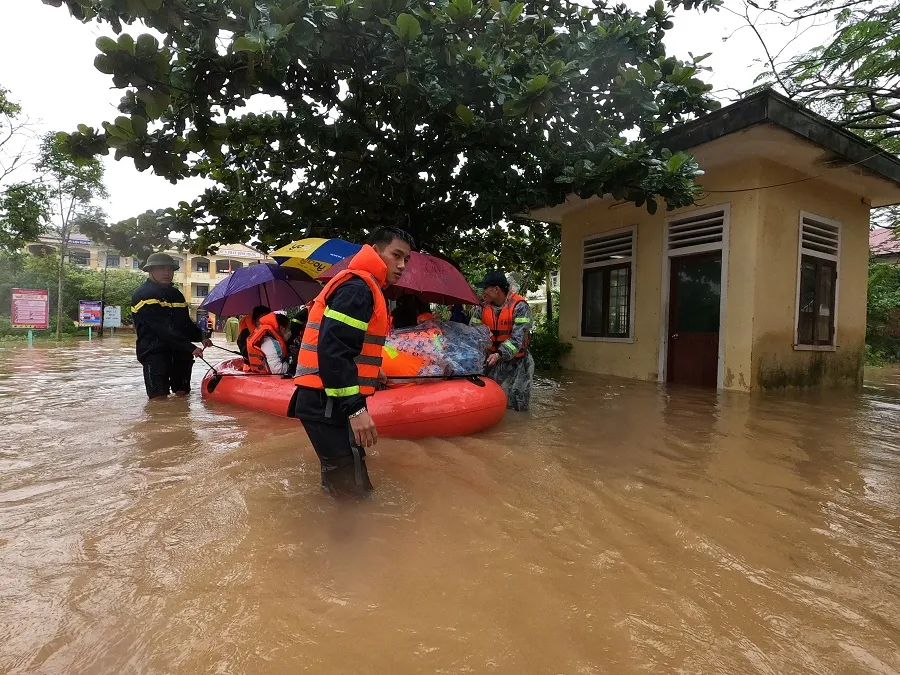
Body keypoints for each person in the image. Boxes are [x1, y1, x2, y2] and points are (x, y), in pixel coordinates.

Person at [292, 227, 413, 497]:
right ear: (375, 250)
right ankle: (350, 537)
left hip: (323, 398)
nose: (402, 265)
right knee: (353, 489)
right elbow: (333, 350)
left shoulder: (359, 285)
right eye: (396, 255)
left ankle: (333, 533)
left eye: (406, 259)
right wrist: (356, 410)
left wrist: (373, 371)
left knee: (341, 477)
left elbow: (344, 345)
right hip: (328, 400)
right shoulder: (359, 289)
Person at [131, 252, 213, 399]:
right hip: (154, 352)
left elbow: (185, 323)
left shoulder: (176, 294)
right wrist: (190, 347)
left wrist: (202, 337)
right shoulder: (142, 294)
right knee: (158, 400)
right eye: (161, 269)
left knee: (183, 395)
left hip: (180, 352)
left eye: (170, 269)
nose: (166, 273)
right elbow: (161, 328)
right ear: (150, 270)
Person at [473, 270, 535, 411]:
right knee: (485, 398)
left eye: (485, 289)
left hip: (518, 362)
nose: (483, 293)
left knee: (517, 405)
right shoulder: (481, 308)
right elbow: (472, 333)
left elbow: (517, 339)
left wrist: (499, 354)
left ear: (496, 289)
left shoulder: (520, 306)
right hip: (492, 359)